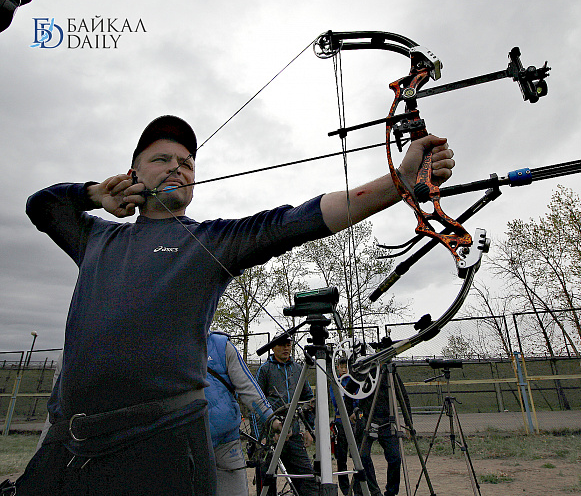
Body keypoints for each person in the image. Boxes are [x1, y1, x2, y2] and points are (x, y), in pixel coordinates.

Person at [18, 113, 455, 495]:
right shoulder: (97, 236)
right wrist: (95, 193)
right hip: (68, 444)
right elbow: (41, 206)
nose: (177, 167)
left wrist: (399, 182)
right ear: (132, 173)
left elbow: (298, 220)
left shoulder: (211, 241)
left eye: (187, 163)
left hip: (163, 445)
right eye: (162, 159)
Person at [206, 331, 281, 496]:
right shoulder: (168, 347)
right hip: (185, 444)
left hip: (226, 443)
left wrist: (271, 419)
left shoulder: (221, 346)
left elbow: (247, 387)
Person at [253, 332, 317, 495]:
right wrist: (261, 437)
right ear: (273, 348)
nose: (285, 348)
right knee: (267, 483)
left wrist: (310, 429)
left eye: (288, 344)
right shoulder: (265, 370)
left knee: (307, 481)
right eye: (281, 345)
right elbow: (256, 403)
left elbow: (309, 400)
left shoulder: (298, 369)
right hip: (270, 436)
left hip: (293, 435)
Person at [355, 362, 412, 496]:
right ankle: (374, 491)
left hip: (387, 422)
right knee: (362, 456)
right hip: (368, 421)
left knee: (395, 458)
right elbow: (351, 392)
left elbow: (403, 397)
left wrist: (409, 423)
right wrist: (353, 411)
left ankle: (391, 492)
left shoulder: (391, 374)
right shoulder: (366, 371)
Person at [329, 357, 358, 496]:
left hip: (354, 422)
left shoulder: (354, 381)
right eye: (341, 367)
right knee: (341, 459)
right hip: (340, 423)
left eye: (346, 366)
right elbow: (336, 401)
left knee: (359, 456)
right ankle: (345, 489)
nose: (344, 369)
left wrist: (354, 410)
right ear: (337, 368)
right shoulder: (335, 382)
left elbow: (358, 399)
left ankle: (358, 487)